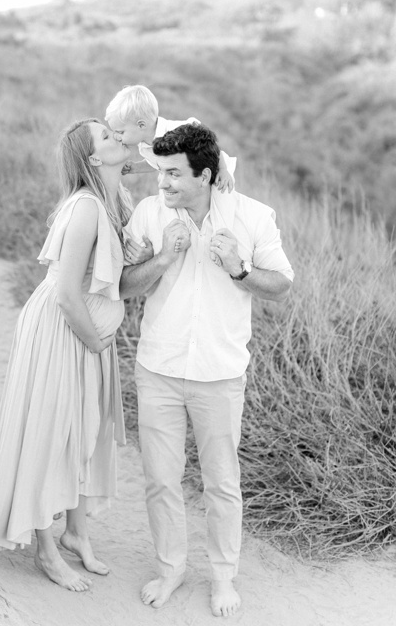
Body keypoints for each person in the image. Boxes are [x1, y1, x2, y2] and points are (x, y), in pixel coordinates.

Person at [119, 122, 293, 618]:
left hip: (220, 375)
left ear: (207, 175)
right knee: (160, 479)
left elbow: (281, 284)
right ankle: (171, 568)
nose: (164, 183)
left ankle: (223, 577)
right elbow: (125, 286)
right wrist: (162, 259)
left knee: (221, 482)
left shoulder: (253, 216)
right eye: (161, 173)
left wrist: (240, 269)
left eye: (174, 174)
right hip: (158, 368)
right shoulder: (150, 215)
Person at [0, 118, 135, 592]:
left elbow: (143, 159)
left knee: (85, 429)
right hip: (65, 330)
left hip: (84, 331)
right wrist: (95, 340)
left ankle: (76, 533)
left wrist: (215, 172)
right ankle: (45, 550)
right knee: (51, 432)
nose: (117, 137)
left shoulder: (111, 197)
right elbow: (66, 293)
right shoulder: (86, 208)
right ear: (92, 159)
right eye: (106, 136)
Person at [105, 84, 237, 192]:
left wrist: (224, 170)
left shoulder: (175, 131)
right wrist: (135, 168)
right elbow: (157, 163)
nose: (117, 136)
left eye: (121, 132)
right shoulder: (145, 146)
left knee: (220, 205)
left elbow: (209, 141)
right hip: (194, 184)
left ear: (141, 125)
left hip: (217, 173)